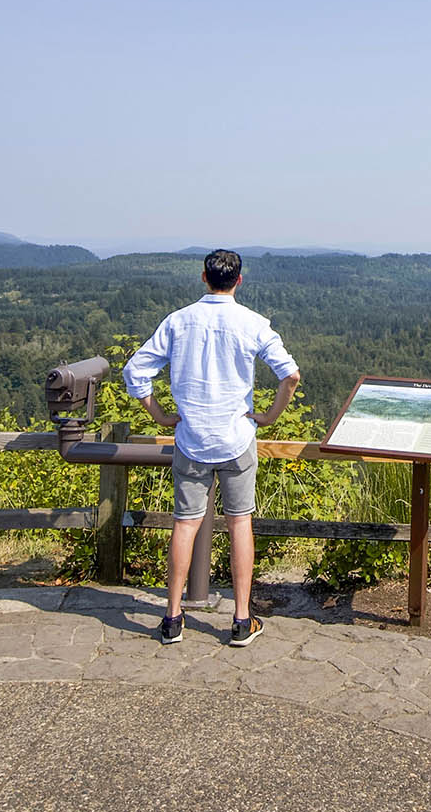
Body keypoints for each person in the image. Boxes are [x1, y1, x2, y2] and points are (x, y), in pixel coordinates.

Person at [122, 248, 300, 646]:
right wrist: (269, 417)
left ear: (204, 277)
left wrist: (160, 416)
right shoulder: (253, 323)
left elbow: (135, 371)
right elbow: (290, 375)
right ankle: (241, 620)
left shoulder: (178, 322)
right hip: (237, 438)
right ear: (239, 280)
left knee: (185, 523)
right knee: (240, 522)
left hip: (191, 439)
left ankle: (172, 618)